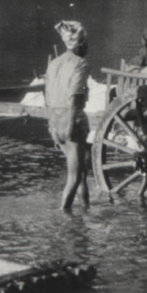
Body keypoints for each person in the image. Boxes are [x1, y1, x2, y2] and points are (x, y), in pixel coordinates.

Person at [46, 20, 90, 210]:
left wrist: (53, 127)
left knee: (81, 172)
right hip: (71, 122)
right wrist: (71, 125)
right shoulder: (80, 63)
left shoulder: (54, 63)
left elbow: (48, 96)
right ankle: (64, 216)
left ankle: (86, 210)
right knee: (75, 177)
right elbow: (73, 96)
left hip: (55, 121)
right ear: (81, 44)